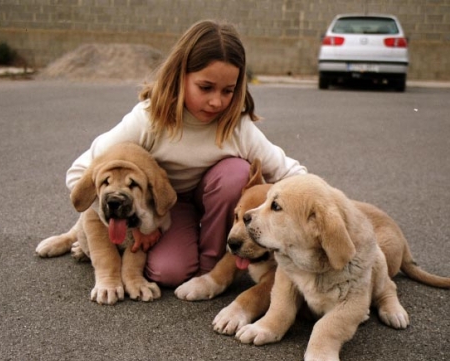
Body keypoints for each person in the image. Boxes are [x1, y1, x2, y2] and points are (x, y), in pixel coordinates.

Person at [66, 20, 307, 288]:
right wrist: (138, 222)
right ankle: (76, 235)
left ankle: (212, 269)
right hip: (165, 207)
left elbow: (293, 175)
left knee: (236, 175)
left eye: (228, 91)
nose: (217, 101)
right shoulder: (148, 120)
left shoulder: (237, 127)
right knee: (169, 273)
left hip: (216, 201)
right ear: (181, 75)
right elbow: (79, 174)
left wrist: (328, 213)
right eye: (206, 88)